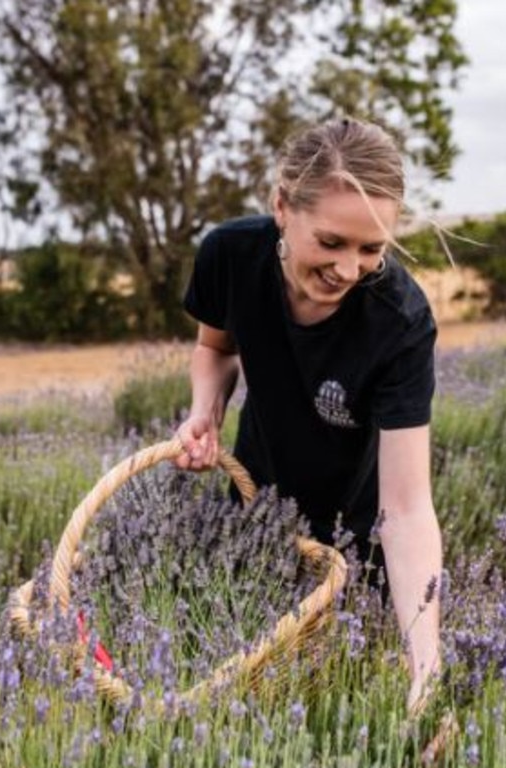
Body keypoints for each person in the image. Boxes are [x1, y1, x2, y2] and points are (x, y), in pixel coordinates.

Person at [174, 117, 443, 712]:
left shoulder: (399, 322)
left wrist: (425, 665)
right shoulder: (230, 255)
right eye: (330, 242)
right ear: (281, 206)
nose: (348, 270)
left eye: (371, 249)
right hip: (253, 522)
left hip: (359, 557)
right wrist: (204, 412)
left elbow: (406, 510)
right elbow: (215, 349)